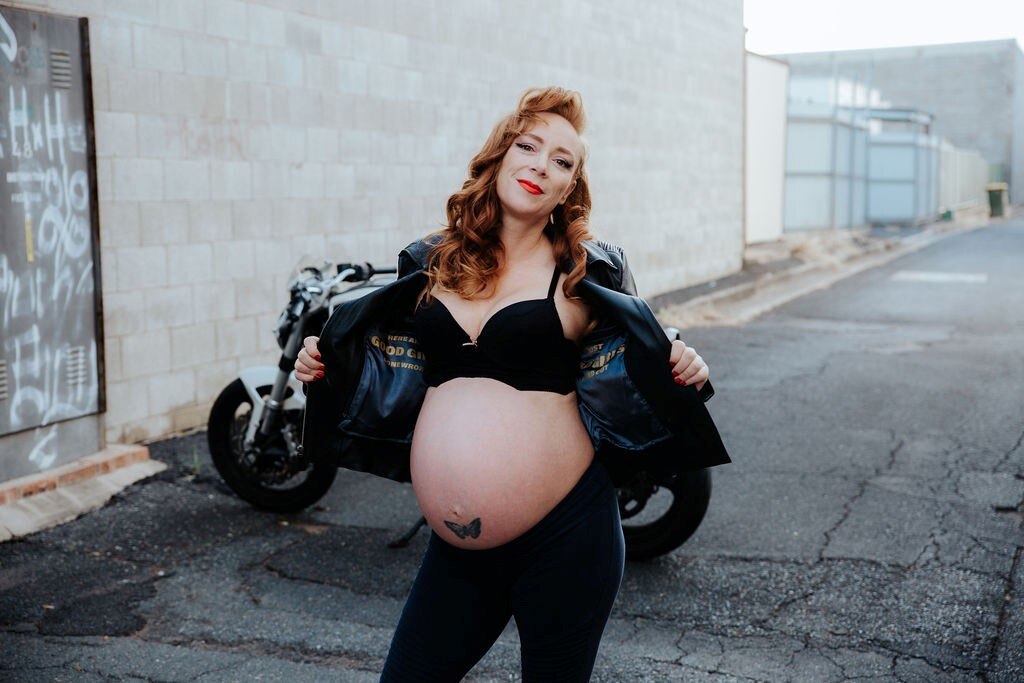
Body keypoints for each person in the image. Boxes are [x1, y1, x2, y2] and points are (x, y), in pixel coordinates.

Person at [295, 86, 729, 681]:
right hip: (458, 553)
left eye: (562, 161)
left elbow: (647, 348)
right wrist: (323, 367)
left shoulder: (585, 271)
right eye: (529, 146)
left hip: (568, 537)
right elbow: (391, 362)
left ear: (569, 187)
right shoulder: (433, 260)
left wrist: (687, 366)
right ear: (500, 155)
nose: (540, 165)